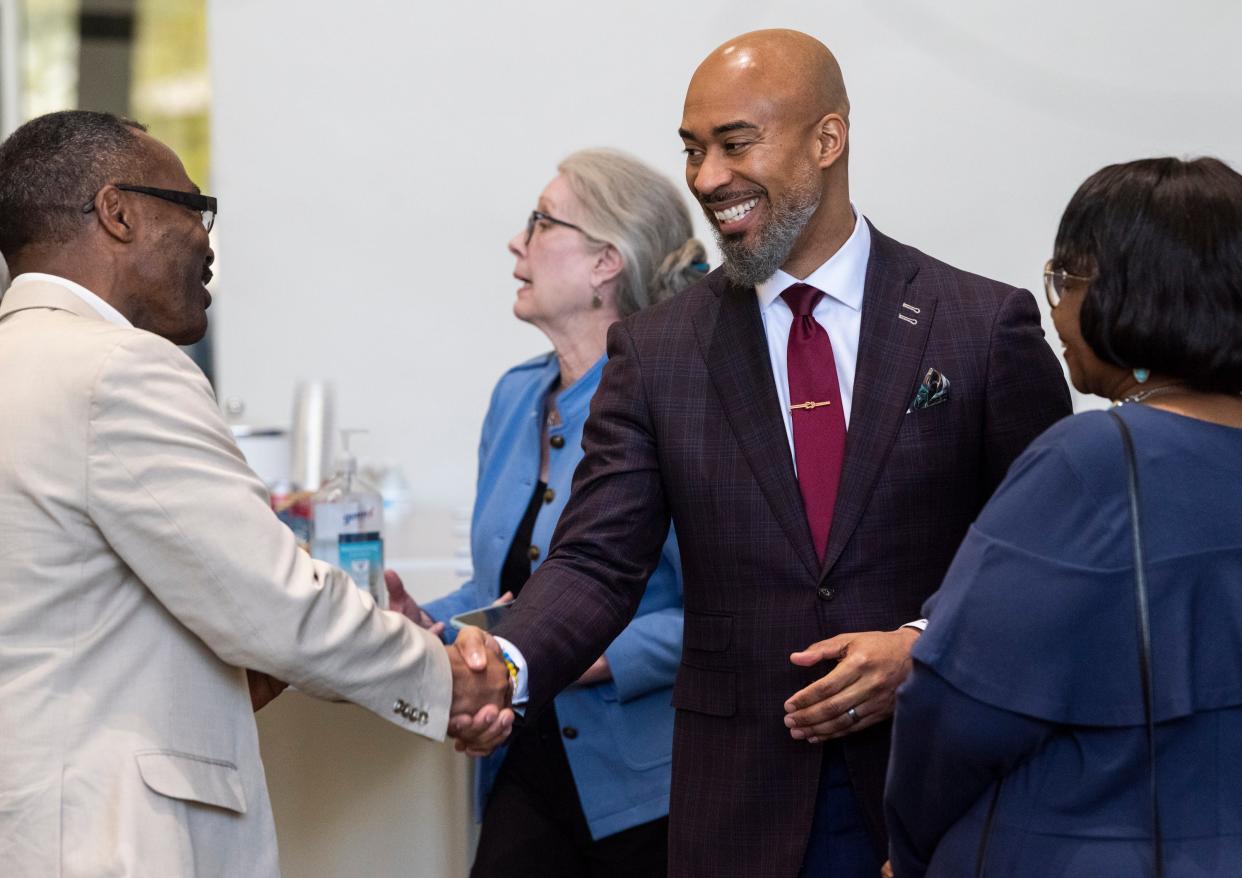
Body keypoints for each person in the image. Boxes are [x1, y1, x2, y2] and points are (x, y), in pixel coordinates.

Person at [487, 28, 1071, 878]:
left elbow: (1048, 560)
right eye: (692, 150)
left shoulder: (981, 327)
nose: (707, 178)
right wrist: (502, 661)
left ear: (827, 140)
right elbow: (595, 561)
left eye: (734, 144)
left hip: (938, 793)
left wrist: (925, 643)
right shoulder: (659, 352)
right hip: (737, 809)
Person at [0, 110, 511, 878]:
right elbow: (273, 603)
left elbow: (86, 620)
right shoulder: (119, 371)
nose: (208, 241)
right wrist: (447, 682)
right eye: (194, 209)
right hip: (110, 841)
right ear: (118, 211)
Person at [884, 157, 1242, 877]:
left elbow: (956, 709)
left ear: (1126, 294)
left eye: (1065, 280)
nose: (1054, 309)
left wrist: (908, 849)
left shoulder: (1095, 462)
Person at [387, 148, 701, 877]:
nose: (516, 241)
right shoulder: (515, 395)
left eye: (541, 221)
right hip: (521, 759)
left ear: (606, 263)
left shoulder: (677, 401)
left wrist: (578, 652)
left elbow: (718, 609)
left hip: (649, 783)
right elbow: (502, 592)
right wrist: (426, 627)